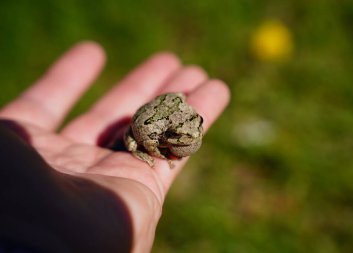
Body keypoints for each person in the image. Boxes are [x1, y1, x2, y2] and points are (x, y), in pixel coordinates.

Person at [0, 41, 230, 253]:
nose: (194, 134)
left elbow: (180, 105)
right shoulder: (159, 133)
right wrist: (159, 152)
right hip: (143, 128)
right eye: (182, 135)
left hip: (168, 109)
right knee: (134, 140)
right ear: (171, 133)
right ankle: (144, 148)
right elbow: (148, 138)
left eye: (198, 123)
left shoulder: (187, 117)